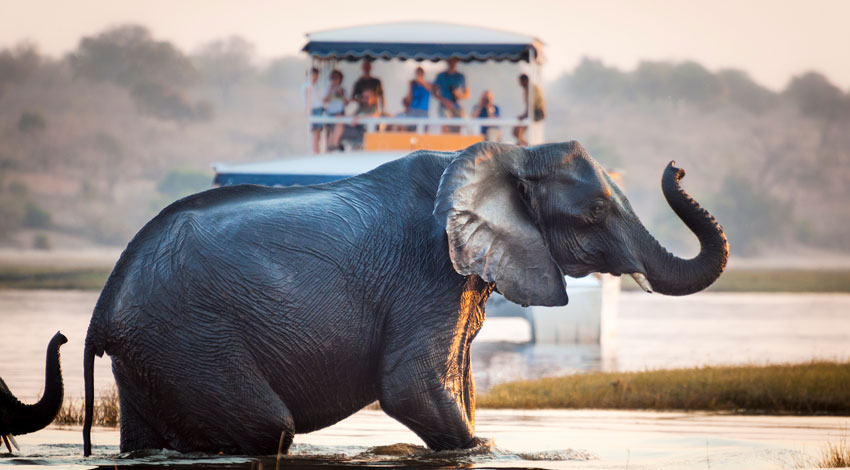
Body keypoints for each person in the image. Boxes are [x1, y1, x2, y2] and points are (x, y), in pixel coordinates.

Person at [433, 58, 469, 132]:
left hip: (456, 106)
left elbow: (467, 94)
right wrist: (444, 101)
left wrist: (458, 94)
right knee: (445, 126)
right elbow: (434, 91)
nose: (452, 64)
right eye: (450, 61)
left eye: (454, 61)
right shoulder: (441, 76)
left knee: (458, 127)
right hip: (444, 106)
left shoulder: (460, 77)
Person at [513, 73, 546, 146]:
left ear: (525, 80)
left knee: (518, 131)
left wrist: (524, 116)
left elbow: (531, 105)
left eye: (521, 81)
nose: (520, 84)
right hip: (533, 112)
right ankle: (524, 144)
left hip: (537, 112)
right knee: (516, 132)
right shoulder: (527, 89)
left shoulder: (531, 89)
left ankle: (525, 145)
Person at [323, 69, 347, 151]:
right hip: (330, 114)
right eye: (333, 78)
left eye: (336, 78)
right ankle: (330, 148)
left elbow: (346, 103)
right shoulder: (328, 89)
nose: (334, 80)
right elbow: (325, 100)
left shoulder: (343, 90)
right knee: (330, 133)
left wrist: (341, 94)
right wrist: (330, 90)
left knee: (337, 131)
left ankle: (334, 145)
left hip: (339, 113)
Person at [301, 67, 324, 154]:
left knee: (318, 133)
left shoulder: (318, 86)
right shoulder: (307, 86)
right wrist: (308, 111)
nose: (315, 77)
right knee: (315, 133)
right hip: (313, 111)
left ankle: (316, 150)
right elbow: (306, 100)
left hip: (320, 110)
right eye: (313, 75)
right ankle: (315, 151)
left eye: (316, 75)